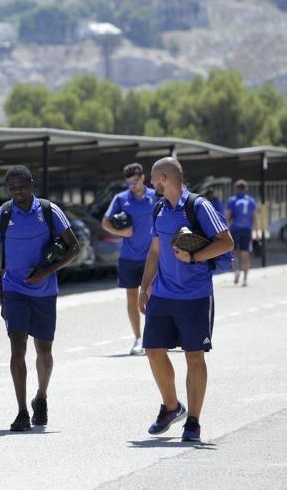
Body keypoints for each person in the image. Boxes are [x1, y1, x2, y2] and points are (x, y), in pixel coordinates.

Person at [138, 158, 233, 442]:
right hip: (163, 294)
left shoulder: (198, 207)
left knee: (194, 356)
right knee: (153, 350)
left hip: (195, 296)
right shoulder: (158, 208)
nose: (151, 184)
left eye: (153, 179)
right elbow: (154, 251)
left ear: (165, 178)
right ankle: (171, 407)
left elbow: (226, 242)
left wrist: (193, 256)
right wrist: (144, 288)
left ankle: (193, 421)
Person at [0, 165, 80, 431]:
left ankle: (41, 397)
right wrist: (3, 299)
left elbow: (74, 247)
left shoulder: (50, 211)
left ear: (31, 184)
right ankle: (21, 412)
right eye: (12, 187)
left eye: (21, 186)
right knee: (17, 349)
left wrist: (46, 272)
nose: (17, 191)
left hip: (45, 292)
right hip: (14, 291)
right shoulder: (0, 216)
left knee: (44, 350)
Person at [101, 163, 157, 355]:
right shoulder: (121, 198)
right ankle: (138, 339)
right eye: (129, 182)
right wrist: (120, 231)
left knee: (151, 296)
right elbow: (105, 222)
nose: (132, 185)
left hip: (152, 256)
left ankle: (154, 337)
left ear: (143, 177)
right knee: (132, 297)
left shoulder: (156, 196)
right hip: (129, 257)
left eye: (135, 181)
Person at [226, 180, 257, 287]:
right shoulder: (251, 201)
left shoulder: (232, 200)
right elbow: (254, 218)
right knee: (245, 254)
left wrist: (225, 230)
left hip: (235, 230)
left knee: (233, 253)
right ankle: (245, 279)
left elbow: (228, 217)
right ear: (246, 189)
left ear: (237, 189)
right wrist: (256, 232)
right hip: (247, 230)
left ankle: (236, 271)